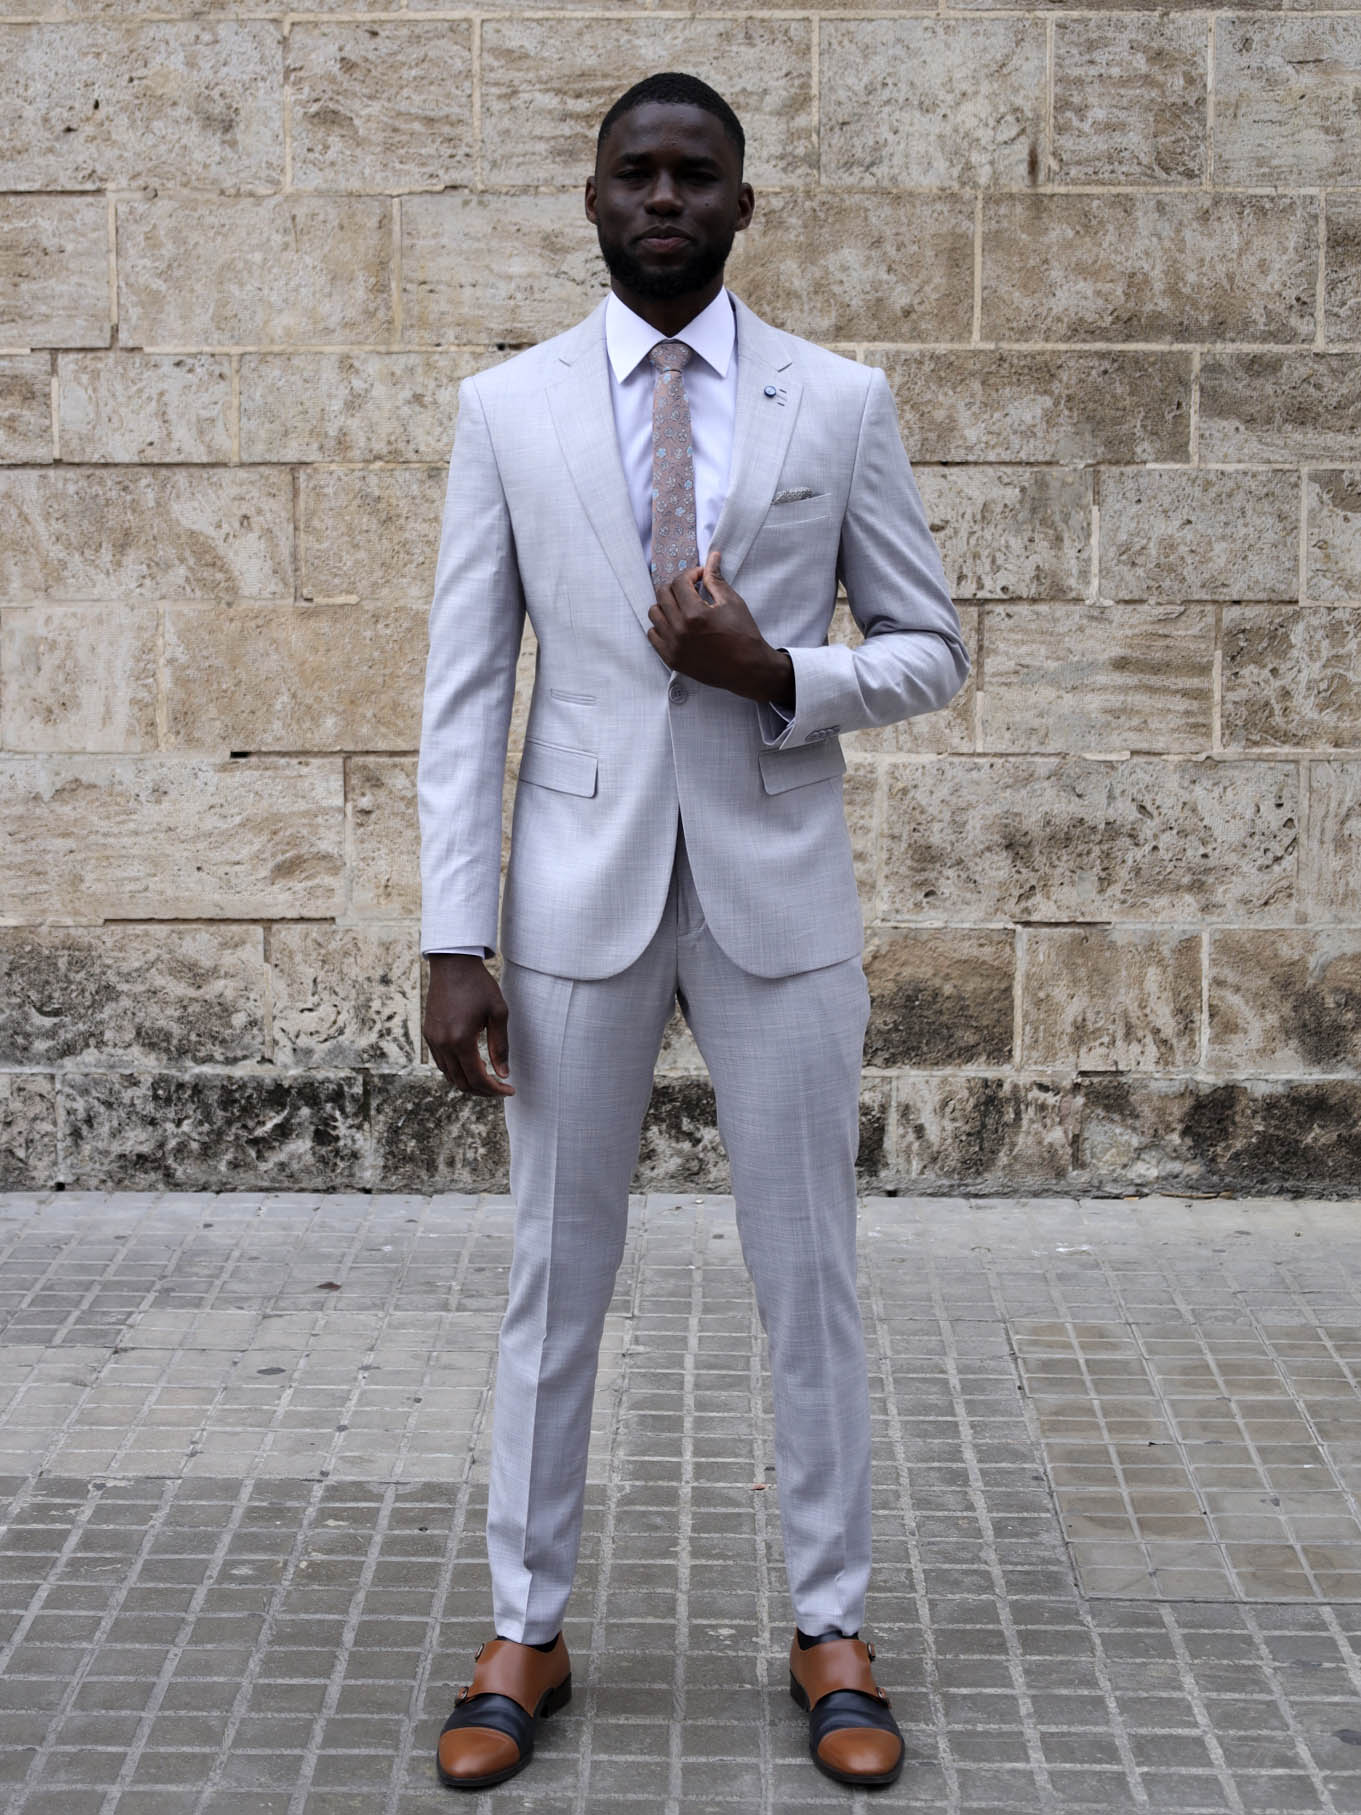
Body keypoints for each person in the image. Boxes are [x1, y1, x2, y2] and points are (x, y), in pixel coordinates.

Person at [417, 70, 970, 1793]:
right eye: (635, 174)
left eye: (695, 175)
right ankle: (526, 1628)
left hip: (775, 896)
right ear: (593, 200)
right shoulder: (506, 411)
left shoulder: (839, 402)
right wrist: (451, 934)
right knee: (553, 1277)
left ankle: (831, 1628)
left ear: (741, 203)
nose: (663, 199)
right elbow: (466, 691)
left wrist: (777, 672)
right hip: (571, 904)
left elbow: (932, 648)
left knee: (809, 1275)